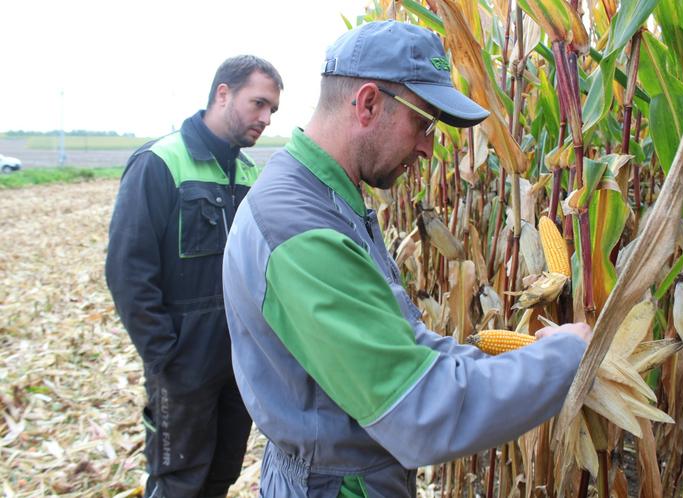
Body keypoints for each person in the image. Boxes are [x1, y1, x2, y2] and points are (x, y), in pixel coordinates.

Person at [223, 21, 591, 498]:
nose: (428, 147)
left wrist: (508, 358)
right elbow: (418, 410)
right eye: (423, 124)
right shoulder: (300, 230)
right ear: (368, 103)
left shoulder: (329, 199)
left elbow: (402, 347)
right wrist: (565, 357)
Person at [106, 55, 282, 498]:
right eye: (258, 103)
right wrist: (166, 358)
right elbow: (128, 271)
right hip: (182, 366)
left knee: (219, 478)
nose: (265, 118)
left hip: (236, 365)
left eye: (272, 111)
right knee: (179, 484)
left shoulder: (246, 173)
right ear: (223, 93)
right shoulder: (159, 163)